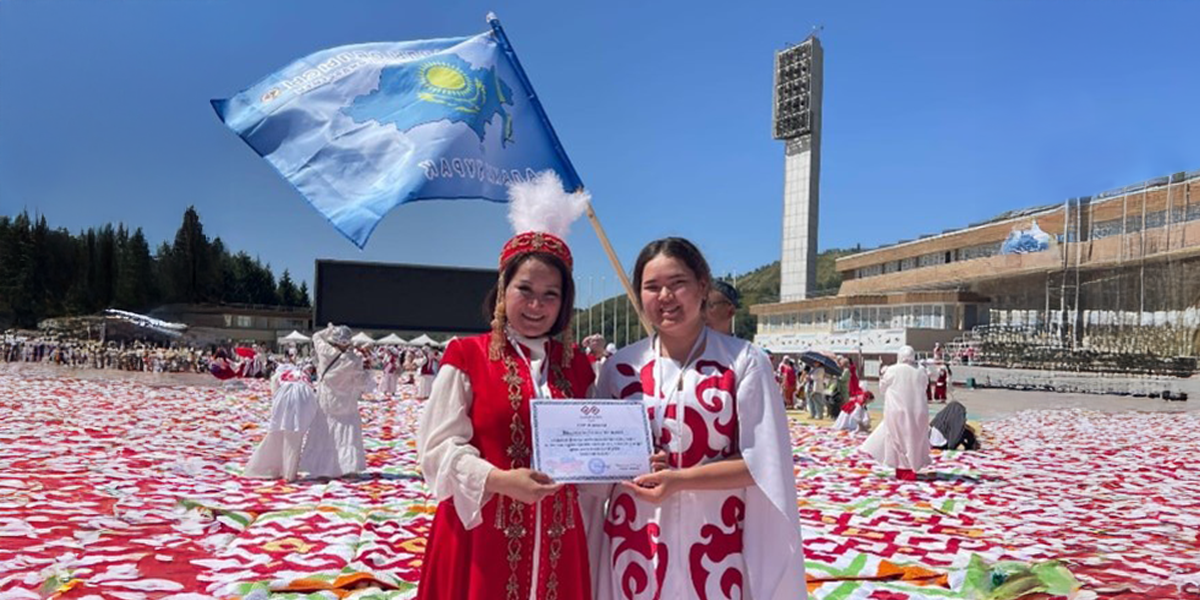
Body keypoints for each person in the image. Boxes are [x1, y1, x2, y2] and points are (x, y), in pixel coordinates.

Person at [416, 171, 595, 600]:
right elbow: (437, 451)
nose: (536, 305)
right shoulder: (467, 356)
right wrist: (498, 479)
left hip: (558, 538)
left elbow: (596, 445)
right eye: (525, 289)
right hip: (479, 537)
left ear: (565, 301)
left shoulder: (579, 368)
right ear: (503, 290)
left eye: (551, 294)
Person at [595, 237, 806, 600]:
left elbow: (764, 464)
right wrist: (630, 462)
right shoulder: (620, 368)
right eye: (652, 286)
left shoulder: (743, 361)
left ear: (702, 286)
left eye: (678, 283)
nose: (665, 296)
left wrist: (679, 479)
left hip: (715, 543)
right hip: (634, 540)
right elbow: (596, 457)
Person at [299, 324, 369, 478]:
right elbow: (362, 382)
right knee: (347, 433)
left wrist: (329, 329)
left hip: (326, 400)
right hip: (347, 402)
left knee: (324, 432)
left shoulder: (325, 352)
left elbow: (316, 336)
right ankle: (348, 469)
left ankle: (322, 469)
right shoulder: (354, 360)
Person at [860, 346, 932, 481]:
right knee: (914, 441)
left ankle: (903, 470)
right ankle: (912, 468)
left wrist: (883, 374)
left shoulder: (892, 369)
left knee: (898, 440)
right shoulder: (921, 370)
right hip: (919, 410)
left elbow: (882, 389)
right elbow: (925, 386)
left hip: (897, 410)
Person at [244, 364, 318, 481]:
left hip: (285, 398)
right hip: (304, 400)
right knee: (295, 437)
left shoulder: (279, 376)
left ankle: (273, 468)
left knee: (277, 434)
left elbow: (275, 393)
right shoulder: (303, 376)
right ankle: (289, 473)